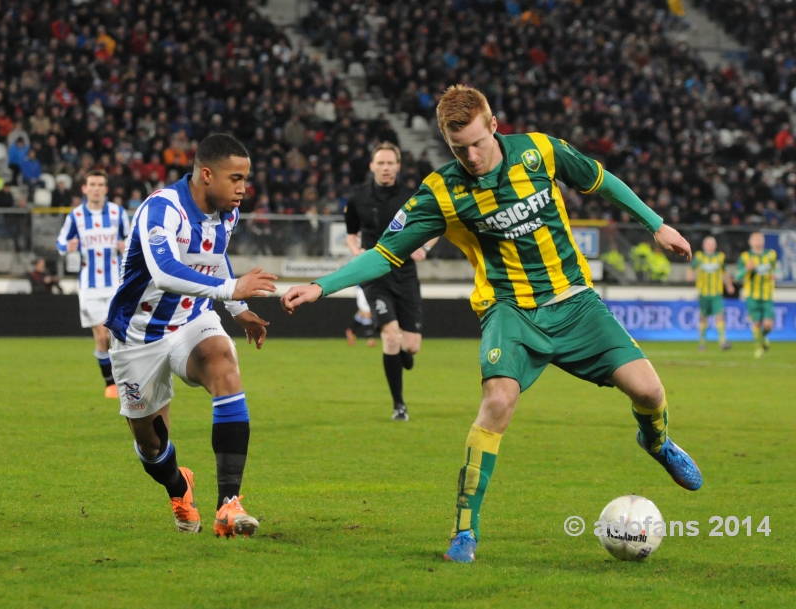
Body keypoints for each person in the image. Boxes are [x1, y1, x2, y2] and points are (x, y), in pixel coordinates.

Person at [281, 85, 702, 562]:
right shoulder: (442, 191)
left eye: (478, 143)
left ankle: (658, 443)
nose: (472, 156)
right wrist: (321, 286)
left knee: (648, 392)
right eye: (459, 149)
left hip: (575, 301)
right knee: (497, 400)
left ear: (494, 125)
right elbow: (385, 254)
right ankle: (465, 532)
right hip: (510, 311)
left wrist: (657, 224)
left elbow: (601, 181)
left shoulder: (540, 151)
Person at [105, 134, 277, 538]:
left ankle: (228, 505)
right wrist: (231, 291)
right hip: (138, 334)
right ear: (205, 174)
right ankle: (179, 488)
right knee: (150, 445)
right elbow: (164, 272)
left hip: (191, 321)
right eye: (235, 178)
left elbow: (214, 261)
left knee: (223, 363)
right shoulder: (161, 210)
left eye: (246, 179)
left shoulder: (227, 213)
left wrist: (237, 311)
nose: (243, 188)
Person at [344, 142, 438, 420]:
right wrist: (357, 253)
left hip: (406, 275)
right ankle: (399, 405)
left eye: (390, 163)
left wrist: (426, 247)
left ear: (398, 166)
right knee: (391, 337)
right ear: (372, 166)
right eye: (380, 163)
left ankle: (403, 356)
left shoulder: (413, 197)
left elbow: (437, 224)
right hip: (375, 275)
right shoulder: (357, 199)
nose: (385, 168)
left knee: (411, 346)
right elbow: (351, 234)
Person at [57, 170, 131, 397]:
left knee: (116, 335)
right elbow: (60, 243)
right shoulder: (76, 216)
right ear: (85, 188)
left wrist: (124, 246)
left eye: (100, 184)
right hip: (89, 285)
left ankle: (125, 381)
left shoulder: (118, 213)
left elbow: (132, 240)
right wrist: (67, 248)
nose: (96, 188)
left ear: (106, 189)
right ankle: (110, 383)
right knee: (101, 335)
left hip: (115, 284)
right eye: (92, 184)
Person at [686, 236, 735, 350]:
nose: (710, 246)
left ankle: (722, 341)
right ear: (704, 246)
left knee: (719, 315)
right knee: (703, 317)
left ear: (715, 246)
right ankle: (702, 341)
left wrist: (729, 285)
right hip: (703, 292)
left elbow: (724, 272)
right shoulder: (699, 256)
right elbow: (691, 268)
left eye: (712, 244)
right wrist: (690, 274)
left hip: (716, 292)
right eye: (707, 244)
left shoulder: (720, 257)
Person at [735, 232, 777, 359]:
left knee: (769, 325)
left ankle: (763, 337)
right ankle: (759, 348)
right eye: (755, 239)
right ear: (750, 242)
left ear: (763, 241)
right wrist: (747, 269)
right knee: (756, 323)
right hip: (752, 295)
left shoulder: (771, 255)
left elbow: (776, 269)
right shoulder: (745, 256)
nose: (758, 241)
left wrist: (775, 274)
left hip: (767, 294)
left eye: (760, 239)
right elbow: (737, 276)